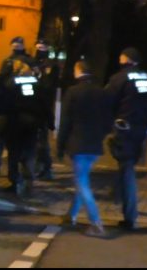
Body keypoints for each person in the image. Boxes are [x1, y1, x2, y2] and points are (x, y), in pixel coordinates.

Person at [105, 47, 147, 231]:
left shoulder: (119, 79)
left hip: (124, 129)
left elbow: (106, 103)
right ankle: (121, 199)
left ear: (126, 59)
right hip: (142, 131)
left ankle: (130, 216)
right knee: (127, 166)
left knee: (126, 170)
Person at [57, 60, 113, 238]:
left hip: (78, 144)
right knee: (82, 180)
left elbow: (65, 122)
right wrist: (100, 136)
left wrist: (60, 145)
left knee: (82, 183)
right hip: (94, 145)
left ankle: (96, 223)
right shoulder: (101, 92)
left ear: (78, 71)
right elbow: (108, 121)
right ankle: (71, 215)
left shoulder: (73, 92)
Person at [3, 59, 51, 198]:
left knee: (14, 154)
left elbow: (6, 102)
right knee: (29, 153)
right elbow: (44, 103)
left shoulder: (12, 83)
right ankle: (29, 182)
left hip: (16, 123)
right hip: (33, 123)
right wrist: (48, 121)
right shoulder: (37, 83)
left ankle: (15, 182)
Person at [0, 37, 36, 177]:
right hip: (8, 107)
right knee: (0, 140)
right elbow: (2, 82)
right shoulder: (8, 61)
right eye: (14, 44)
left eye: (19, 44)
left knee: (18, 143)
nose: (16, 46)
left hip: (22, 109)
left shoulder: (29, 62)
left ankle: (22, 173)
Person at [33, 39, 58, 181]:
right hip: (33, 105)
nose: (39, 50)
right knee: (37, 140)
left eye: (42, 48)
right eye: (38, 47)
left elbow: (48, 86)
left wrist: (40, 75)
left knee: (42, 140)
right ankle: (39, 166)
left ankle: (45, 167)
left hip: (44, 106)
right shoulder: (34, 63)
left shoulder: (50, 65)